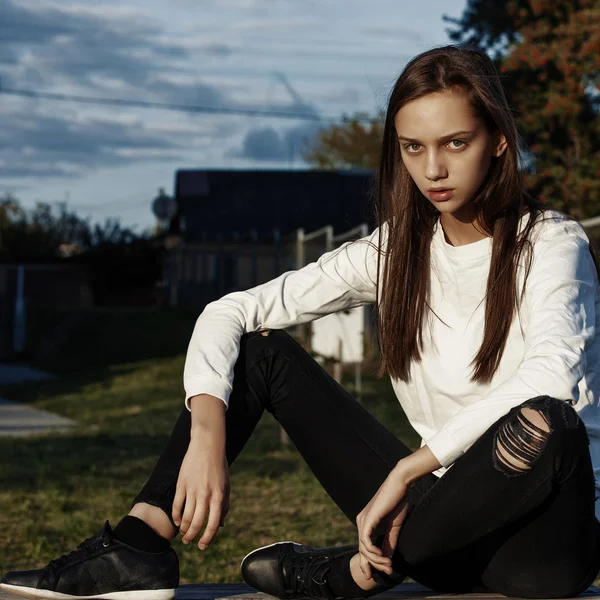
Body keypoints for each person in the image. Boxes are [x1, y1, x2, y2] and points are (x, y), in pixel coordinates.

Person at [2, 43, 600, 600]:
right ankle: (136, 547)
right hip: (436, 522)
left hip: (541, 547)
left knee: (544, 422)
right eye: (413, 147)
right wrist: (207, 430)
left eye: (456, 143)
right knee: (260, 351)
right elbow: (230, 311)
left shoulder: (551, 245)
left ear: (499, 140)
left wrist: (410, 467)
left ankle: (351, 572)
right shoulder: (395, 253)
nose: (433, 169)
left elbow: (551, 375)